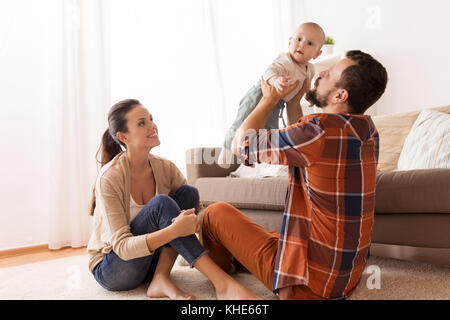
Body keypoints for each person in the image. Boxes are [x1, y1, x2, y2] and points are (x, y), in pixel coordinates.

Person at [201, 50, 388, 300]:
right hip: (343, 279)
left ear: (340, 95)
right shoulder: (367, 130)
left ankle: (225, 284)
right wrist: (293, 101)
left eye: (329, 74)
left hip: (308, 286)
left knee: (213, 214)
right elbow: (302, 140)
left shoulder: (316, 131)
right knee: (275, 237)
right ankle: (241, 262)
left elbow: (241, 144)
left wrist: (268, 99)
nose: (320, 73)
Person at [87, 99, 260, 300]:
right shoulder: (111, 178)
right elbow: (123, 249)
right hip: (113, 269)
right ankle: (223, 284)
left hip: (149, 263)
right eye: (142, 123)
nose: (152, 126)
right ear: (122, 137)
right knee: (162, 204)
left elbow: (192, 210)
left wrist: (206, 227)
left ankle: (160, 277)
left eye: (151, 119)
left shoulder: (165, 168)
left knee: (188, 193)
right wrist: (174, 230)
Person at [219, 22, 325, 164]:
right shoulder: (286, 60)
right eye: (299, 39)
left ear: (317, 54)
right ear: (290, 42)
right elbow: (269, 72)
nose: (302, 45)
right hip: (261, 94)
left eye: (310, 43)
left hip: (278, 102)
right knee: (242, 120)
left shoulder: (310, 69)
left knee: (269, 131)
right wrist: (275, 80)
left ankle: (252, 162)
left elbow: (305, 88)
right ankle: (226, 151)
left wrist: (309, 96)